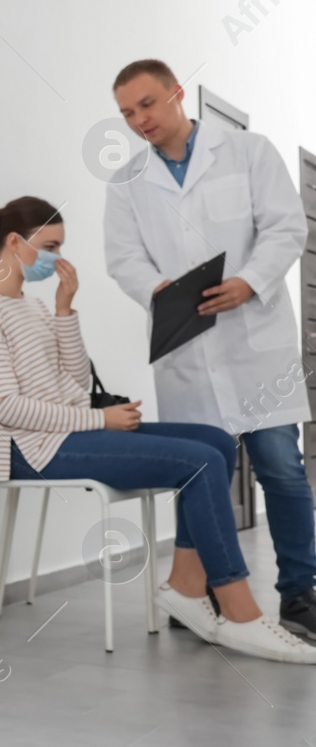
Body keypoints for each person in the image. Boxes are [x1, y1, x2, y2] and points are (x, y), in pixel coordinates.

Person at [0, 196, 316, 663]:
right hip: (33, 449)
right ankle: (239, 610)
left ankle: (186, 585)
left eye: (60, 248)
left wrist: (66, 309)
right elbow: (8, 409)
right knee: (201, 460)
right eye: (50, 247)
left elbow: (77, 382)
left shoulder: (33, 307)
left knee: (214, 440)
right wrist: (100, 420)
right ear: (14, 242)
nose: (57, 259)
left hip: (70, 433)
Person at [104, 58, 316, 644]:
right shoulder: (126, 182)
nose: (138, 120)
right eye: (126, 113)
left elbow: (286, 227)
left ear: (175, 94)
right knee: (198, 472)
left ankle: (299, 593)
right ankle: (194, 595)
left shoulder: (248, 152)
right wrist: (161, 294)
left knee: (283, 471)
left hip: (255, 342)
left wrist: (250, 280)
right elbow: (123, 257)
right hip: (187, 347)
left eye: (146, 105)